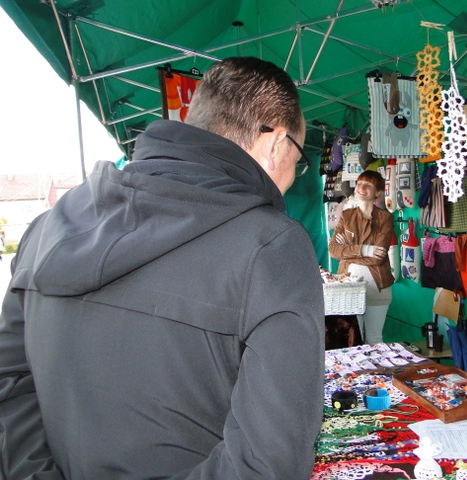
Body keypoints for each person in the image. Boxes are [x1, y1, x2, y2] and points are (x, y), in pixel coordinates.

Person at [0, 57, 325, 479]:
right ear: (277, 143)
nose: (295, 173)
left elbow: (9, 386)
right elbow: (268, 464)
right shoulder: (273, 248)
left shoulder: (47, 229)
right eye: (299, 158)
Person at [328, 170, 395, 344]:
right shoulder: (346, 216)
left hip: (377, 286)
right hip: (348, 287)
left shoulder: (385, 218)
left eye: (367, 185)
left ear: (378, 192)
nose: (361, 188)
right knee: (353, 340)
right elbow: (333, 249)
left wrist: (347, 250)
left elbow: (378, 257)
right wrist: (365, 250)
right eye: (359, 184)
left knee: (374, 338)